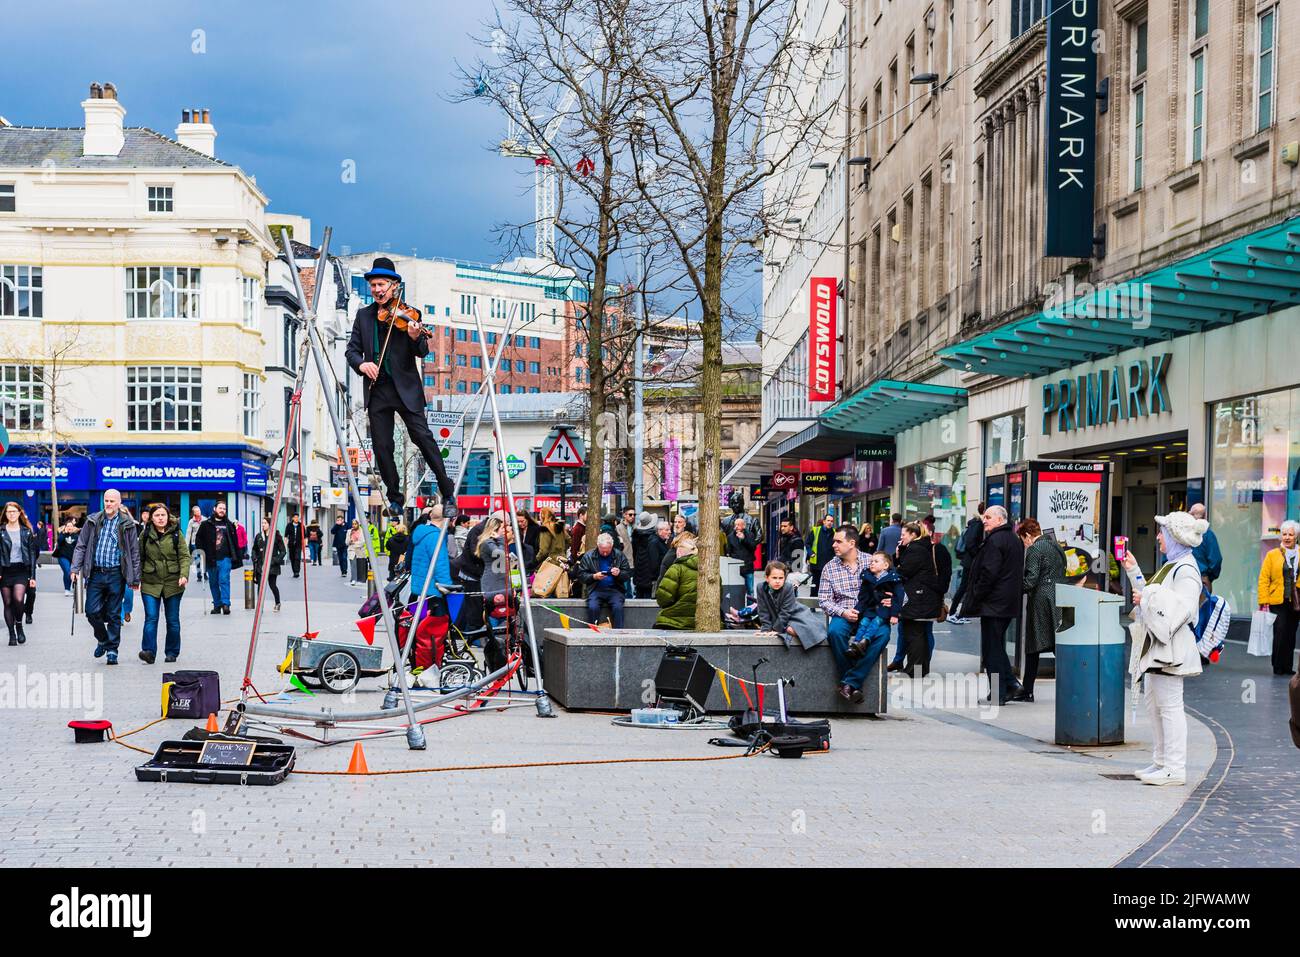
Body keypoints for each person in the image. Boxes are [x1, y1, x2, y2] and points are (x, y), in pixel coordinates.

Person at [346, 257, 457, 518]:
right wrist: (363, 365)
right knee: (382, 446)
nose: (377, 289)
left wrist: (415, 337)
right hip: (378, 390)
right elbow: (352, 351)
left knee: (423, 439)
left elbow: (422, 352)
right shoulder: (363, 316)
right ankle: (394, 497)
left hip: (405, 389)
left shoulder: (410, 315)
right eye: (373, 285)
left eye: (381, 284)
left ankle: (448, 492)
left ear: (394, 286)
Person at [1124, 511, 1209, 786]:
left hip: (1170, 648)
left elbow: (1181, 609)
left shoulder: (1186, 569)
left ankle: (1174, 767)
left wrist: (1147, 595)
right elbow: (1149, 596)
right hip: (1159, 647)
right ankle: (1162, 762)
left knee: (1170, 707)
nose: (1158, 537)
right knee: (1155, 705)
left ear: (1174, 536)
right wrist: (1134, 571)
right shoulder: (1172, 565)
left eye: (1162, 532)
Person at [70, 488, 141, 665]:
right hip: (96, 573)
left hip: (117, 573)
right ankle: (103, 639)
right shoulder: (93, 520)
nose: (108, 504)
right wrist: (75, 568)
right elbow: (81, 545)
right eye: (106, 501)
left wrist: (135, 578)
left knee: (114, 614)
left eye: (112, 501)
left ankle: (112, 650)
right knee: (91, 611)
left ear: (119, 503)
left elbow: (134, 552)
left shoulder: (127, 524)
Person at [963, 505, 1025, 704]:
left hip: (994, 603)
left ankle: (1001, 691)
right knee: (996, 646)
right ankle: (1009, 685)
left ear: (1000, 519)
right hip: (1005, 602)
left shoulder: (995, 540)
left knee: (992, 649)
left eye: (988, 517)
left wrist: (977, 595)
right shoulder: (1013, 540)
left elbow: (989, 573)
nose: (984, 520)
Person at [817, 525, 870, 702]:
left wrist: (889, 600)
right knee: (835, 632)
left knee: (881, 635)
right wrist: (843, 612)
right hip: (844, 613)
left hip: (869, 613)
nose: (834, 545)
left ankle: (848, 683)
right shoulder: (829, 568)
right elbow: (824, 600)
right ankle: (853, 683)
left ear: (852, 543)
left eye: (838, 541)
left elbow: (896, 590)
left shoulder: (871, 562)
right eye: (834, 541)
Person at [1017, 518, 1065, 703]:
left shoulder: (1035, 549)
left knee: (1033, 646)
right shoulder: (1056, 546)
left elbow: (1030, 580)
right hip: (1058, 597)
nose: (1025, 543)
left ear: (1028, 535)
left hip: (1040, 601)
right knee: (1057, 643)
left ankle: (1027, 690)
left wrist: (1013, 590)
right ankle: (1071, 684)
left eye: (1024, 539)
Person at [138, 503, 187, 664]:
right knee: (151, 617)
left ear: (168, 516)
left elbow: (184, 557)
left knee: (172, 620)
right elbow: (139, 558)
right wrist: (136, 578)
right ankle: (149, 651)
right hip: (150, 581)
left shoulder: (176, 534)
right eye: (157, 515)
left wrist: (184, 575)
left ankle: (172, 652)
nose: (160, 518)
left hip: (173, 582)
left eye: (163, 515)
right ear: (151, 518)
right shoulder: (145, 535)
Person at [845, 551, 903, 678]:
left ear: (886, 565)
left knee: (876, 623)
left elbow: (899, 597)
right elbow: (863, 598)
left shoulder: (893, 578)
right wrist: (858, 610)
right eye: (871, 561)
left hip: (883, 610)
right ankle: (857, 643)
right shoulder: (868, 578)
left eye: (876, 561)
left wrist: (894, 614)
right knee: (864, 622)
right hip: (870, 609)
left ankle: (865, 640)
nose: (872, 563)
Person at [1257, 519, 1300, 677]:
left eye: (1291, 534)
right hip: (1277, 600)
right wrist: (1263, 601)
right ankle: (1277, 665)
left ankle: (1288, 666)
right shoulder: (1272, 555)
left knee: (1291, 633)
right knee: (1280, 632)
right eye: (1284, 534)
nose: (1287, 537)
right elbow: (1264, 579)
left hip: (1296, 601)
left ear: (1296, 536)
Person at [754, 560, 826, 650]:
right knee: (788, 629)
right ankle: (784, 629)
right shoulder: (760, 587)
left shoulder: (788, 587)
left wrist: (776, 630)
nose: (777, 581)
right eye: (774, 578)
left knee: (803, 630)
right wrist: (766, 630)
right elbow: (763, 611)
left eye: (781, 578)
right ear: (767, 578)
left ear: (785, 578)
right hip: (779, 618)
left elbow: (786, 612)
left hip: (796, 614)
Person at [0, 501, 38, 646]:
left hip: (21, 570)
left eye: (14, 511)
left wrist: (32, 576)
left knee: (18, 599)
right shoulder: (1, 531)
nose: (11, 514)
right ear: (5, 514)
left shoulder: (26, 531)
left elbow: (32, 555)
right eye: (9, 512)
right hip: (5, 571)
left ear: (19, 513)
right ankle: (12, 634)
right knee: (7, 603)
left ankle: (19, 625)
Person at [194, 500, 242, 614]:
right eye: (220, 508)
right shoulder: (206, 524)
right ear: (214, 509)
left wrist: (237, 556)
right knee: (213, 582)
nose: (222, 511)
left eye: (224, 509)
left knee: (224, 580)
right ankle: (217, 604)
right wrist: (202, 552)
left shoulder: (229, 525)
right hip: (211, 558)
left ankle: (226, 604)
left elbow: (235, 542)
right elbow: (198, 539)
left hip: (225, 558)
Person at [577, 532, 632, 627]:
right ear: (598, 546)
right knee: (593, 607)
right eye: (602, 551)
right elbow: (581, 575)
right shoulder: (589, 556)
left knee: (618, 607)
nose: (605, 553)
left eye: (608, 550)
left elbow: (627, 574)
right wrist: (594, 576)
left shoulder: (619, 555)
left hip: (615, 589)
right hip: (595, 589)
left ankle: (619, 633)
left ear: (612, 546)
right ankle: (592, 633)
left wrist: (619, 573)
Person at [408, 507, 454, 619]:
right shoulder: (436, 537)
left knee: (418, 624)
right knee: (433, 629)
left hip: (418, 588)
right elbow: (440, 563)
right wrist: (447, 585)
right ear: (446, 519)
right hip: (432, 591)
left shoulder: (422, 533)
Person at [948, 502, 985, 624]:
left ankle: (961, 612)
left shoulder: (976, 523)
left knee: (967, 587)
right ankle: (953, 612)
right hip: (971, 561)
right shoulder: (978, 524)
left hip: (969, 560)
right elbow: (970, 542)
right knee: (964, 587)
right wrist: (977, 556)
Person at [654, 535, 698, 630]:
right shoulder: (710, 570)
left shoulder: (676, 569)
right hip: (701, 619)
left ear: (679, 552)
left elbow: (663, 598)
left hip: (675, 619)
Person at [252, 517, 287, 612]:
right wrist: (254, 557)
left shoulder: (276, 536)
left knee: (272, 585)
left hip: (272, 567)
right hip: (260, 566)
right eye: (262, 523)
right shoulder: (259, 536)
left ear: (270, 525)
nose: (263, 525)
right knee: (260, 586)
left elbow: (283, 551)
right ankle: (260, 607)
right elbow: (254, 549)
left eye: (265, 523)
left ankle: (277, 603)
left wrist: (273, 561)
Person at [1186, 503, 1222, 592]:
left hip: (1183, 578)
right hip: (1202, 580)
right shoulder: (1208, 535)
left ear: (1190, 514)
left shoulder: (1182, 533)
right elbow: (1216, 560)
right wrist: (1208, 577)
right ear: (1205, 516)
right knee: (1202, 605)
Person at [631, 512, 662, 599]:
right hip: (649, 578)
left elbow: (634, 555)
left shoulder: (636, 537)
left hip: (638, 576)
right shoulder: (654, 540)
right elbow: (654, 562)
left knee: (639, 602)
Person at [725, 516, 759, 595]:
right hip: (736, 568)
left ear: (744, 526)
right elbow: (729, 551)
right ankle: (739, 606)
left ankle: (751, 606)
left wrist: (744, 539)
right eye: (735, 525)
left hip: (748, 566)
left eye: (738, 525)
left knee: (750, 590)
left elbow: (753, 547)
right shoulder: (730, 537)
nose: (736, 527)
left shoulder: (750, 535)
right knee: (737, 590)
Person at [805, 514, 836, 596]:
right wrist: (810, 553)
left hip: (829, 563)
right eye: (828, 521)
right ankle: (812, 603)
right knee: (816, 583)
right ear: (824, 521)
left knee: (829, 584)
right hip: (817, 562)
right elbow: (807, 544)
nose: (830, 523)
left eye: (831, 521)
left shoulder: (835, 532)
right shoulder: (816, 530)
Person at [54, 516, 79, 596]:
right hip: (63, 557)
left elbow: (79, 547)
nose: (69, 528)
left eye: (71, 526)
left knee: (71, 572)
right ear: (65, 527)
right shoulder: (62, 535)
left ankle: (71, 584)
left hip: (73, 557)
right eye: (68, 526)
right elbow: (59, 542)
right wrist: (64, 533)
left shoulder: (76, 536)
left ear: (73, 527)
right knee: (67, 571)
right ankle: (67, 590)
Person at [185, 505, 206, 583]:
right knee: (197, 559)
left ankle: (205, 572)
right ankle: (199, 575)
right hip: (195, 543)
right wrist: (186, 545)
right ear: (194, 513)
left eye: (199, 510)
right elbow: (188, 533)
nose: (199, 512)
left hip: (204, 542)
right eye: (197, 511)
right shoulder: (191, 521)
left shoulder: (205, 520)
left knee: (205, 558)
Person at [347, 519, 367, 585]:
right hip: (351, 550)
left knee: (360, 565)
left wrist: (354, 543)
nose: (354, 525)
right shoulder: (349, 531)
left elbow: (362, 542)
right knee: (353, 565)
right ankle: (353, 579)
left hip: (360, 551)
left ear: (358, 524)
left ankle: (360, 579)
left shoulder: (362, 531)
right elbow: (346, 542)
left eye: (355, 524)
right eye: (353, 524)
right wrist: (349, 542)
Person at [285, 513, 304, 579]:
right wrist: (285, 544)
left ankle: (297, 572)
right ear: (292, 518)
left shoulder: (301, 525)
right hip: (291, 545)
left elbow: (305, 536)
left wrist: (305, 544)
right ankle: (294, 571)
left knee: (297, 558)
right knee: (292, 558)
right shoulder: (289, 525)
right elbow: (286, 535)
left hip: (298, 545)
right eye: (295, 517)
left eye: (297, 517)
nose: (296, 518)